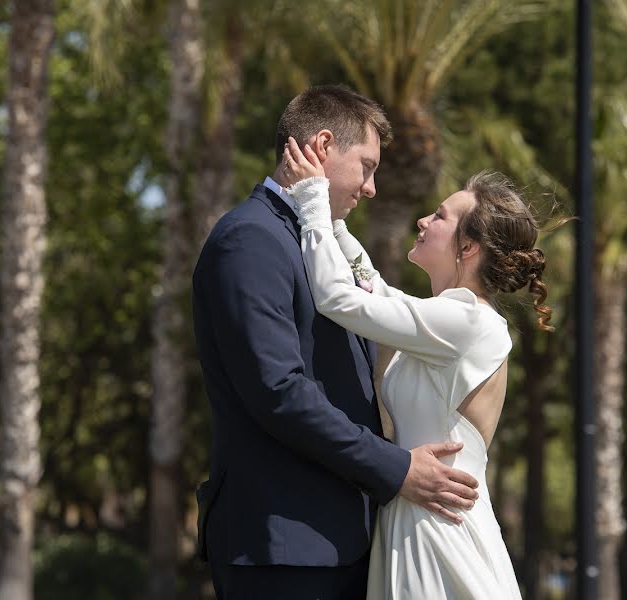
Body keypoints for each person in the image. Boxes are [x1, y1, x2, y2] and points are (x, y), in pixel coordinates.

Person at [192, 85, 481, 600]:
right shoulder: (252, 239)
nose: (371, 187)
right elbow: (279, 390)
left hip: (338, 543)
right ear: (323, 146)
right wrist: (397, 469)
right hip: (283, 546)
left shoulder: (315, 242)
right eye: (366, 166)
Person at [280, 137, 557, 598]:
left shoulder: (468, 321)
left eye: (441, 216)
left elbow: (339, 298)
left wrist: (311, 202)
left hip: (440, 529)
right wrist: (332, 216)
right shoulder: (448, 316)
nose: (424, 221)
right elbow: (375, 291)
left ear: (468, 247)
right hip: (414, 518)